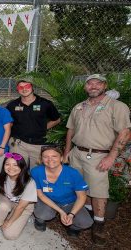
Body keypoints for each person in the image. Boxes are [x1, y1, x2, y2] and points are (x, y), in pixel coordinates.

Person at [63, 74, 130, 245]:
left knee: (99, 192)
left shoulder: (116, 106)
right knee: (80, 188)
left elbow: (125, 133)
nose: (93, 86)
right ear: (85, 87)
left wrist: (111, 156)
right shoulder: (79, 107)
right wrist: (67, 153)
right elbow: (70, 131)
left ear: (104, 85)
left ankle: (99, 225)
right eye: (90, 83)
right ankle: (84, 219)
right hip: (77, 153)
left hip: (99, 155)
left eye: (97, 83)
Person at [31, 146, 93, 237]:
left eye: (54, 156)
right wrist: (61, 211)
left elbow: (82, 196)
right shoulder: (36, 171)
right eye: (46, 156)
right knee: (43, 214)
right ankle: (39, 220)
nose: (50, 159)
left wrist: (71, 214)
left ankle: (73, 227)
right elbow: (40, 194)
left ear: (61, 158)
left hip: (69, 202)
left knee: (86, 222)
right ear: (41, 159)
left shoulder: (72, 173)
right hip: (47, 200)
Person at [6, 77, 61, 168]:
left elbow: (57, 119)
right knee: (17, 170)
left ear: (32, 87)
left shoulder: (45, 103)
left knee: (36, 172)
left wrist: (42, 128)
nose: (24, 89)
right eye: (21, 87)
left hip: (38, 145)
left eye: (27, 86)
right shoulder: (12, 105)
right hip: (18, 144)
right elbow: (8, 123)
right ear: (17, 90)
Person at [0, 152, 37, 240]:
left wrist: (9, 221)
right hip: (7, 199)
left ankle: (24, 217)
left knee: (10, 235)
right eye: (7, 164)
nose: (11, 168)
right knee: (1, 208)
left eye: (15, 165)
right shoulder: (0, 175)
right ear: (3, 165)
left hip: (24, 206)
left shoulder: (29, 182)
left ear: (22, 167)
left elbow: (21, 207)